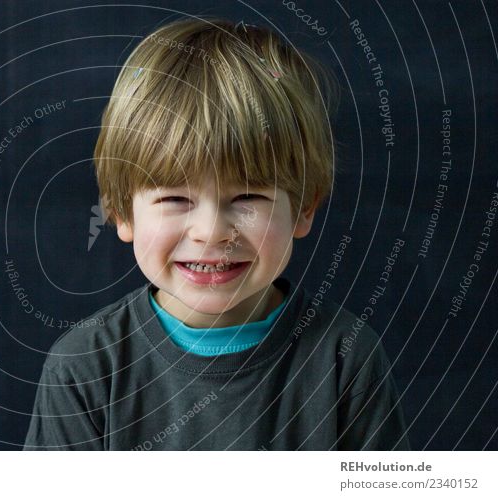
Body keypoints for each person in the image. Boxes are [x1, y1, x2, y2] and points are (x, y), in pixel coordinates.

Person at [24, 17, 409, 450]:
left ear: (304, 208)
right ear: (120, 212)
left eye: (247, 196)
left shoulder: (345, 359)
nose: (210, 232)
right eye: (175, 200)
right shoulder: (84, 368)